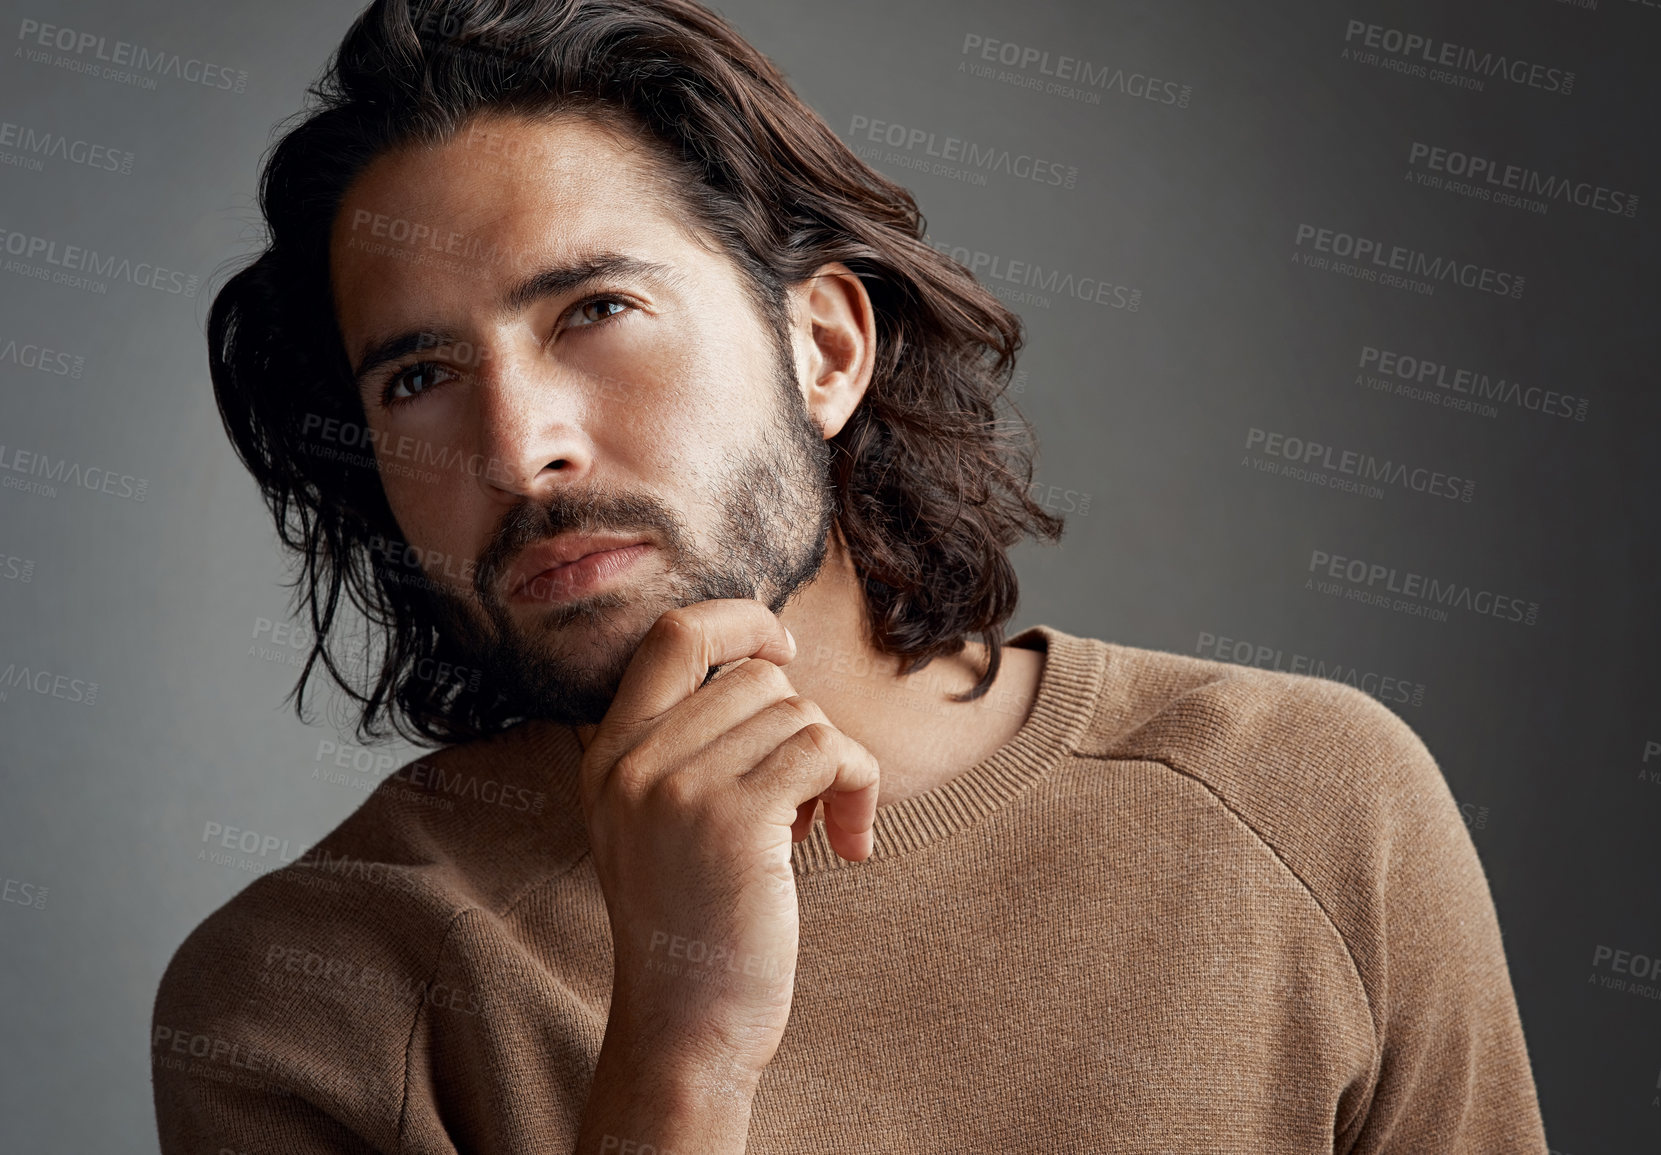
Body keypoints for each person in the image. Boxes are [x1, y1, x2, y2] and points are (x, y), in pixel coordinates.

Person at [153, 1, 1549, 1151]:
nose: (521, 452)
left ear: (824, 350)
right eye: (420, 376)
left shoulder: (1313, 801)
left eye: (596, 311)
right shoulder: (300, 998)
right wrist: (681, 1052)